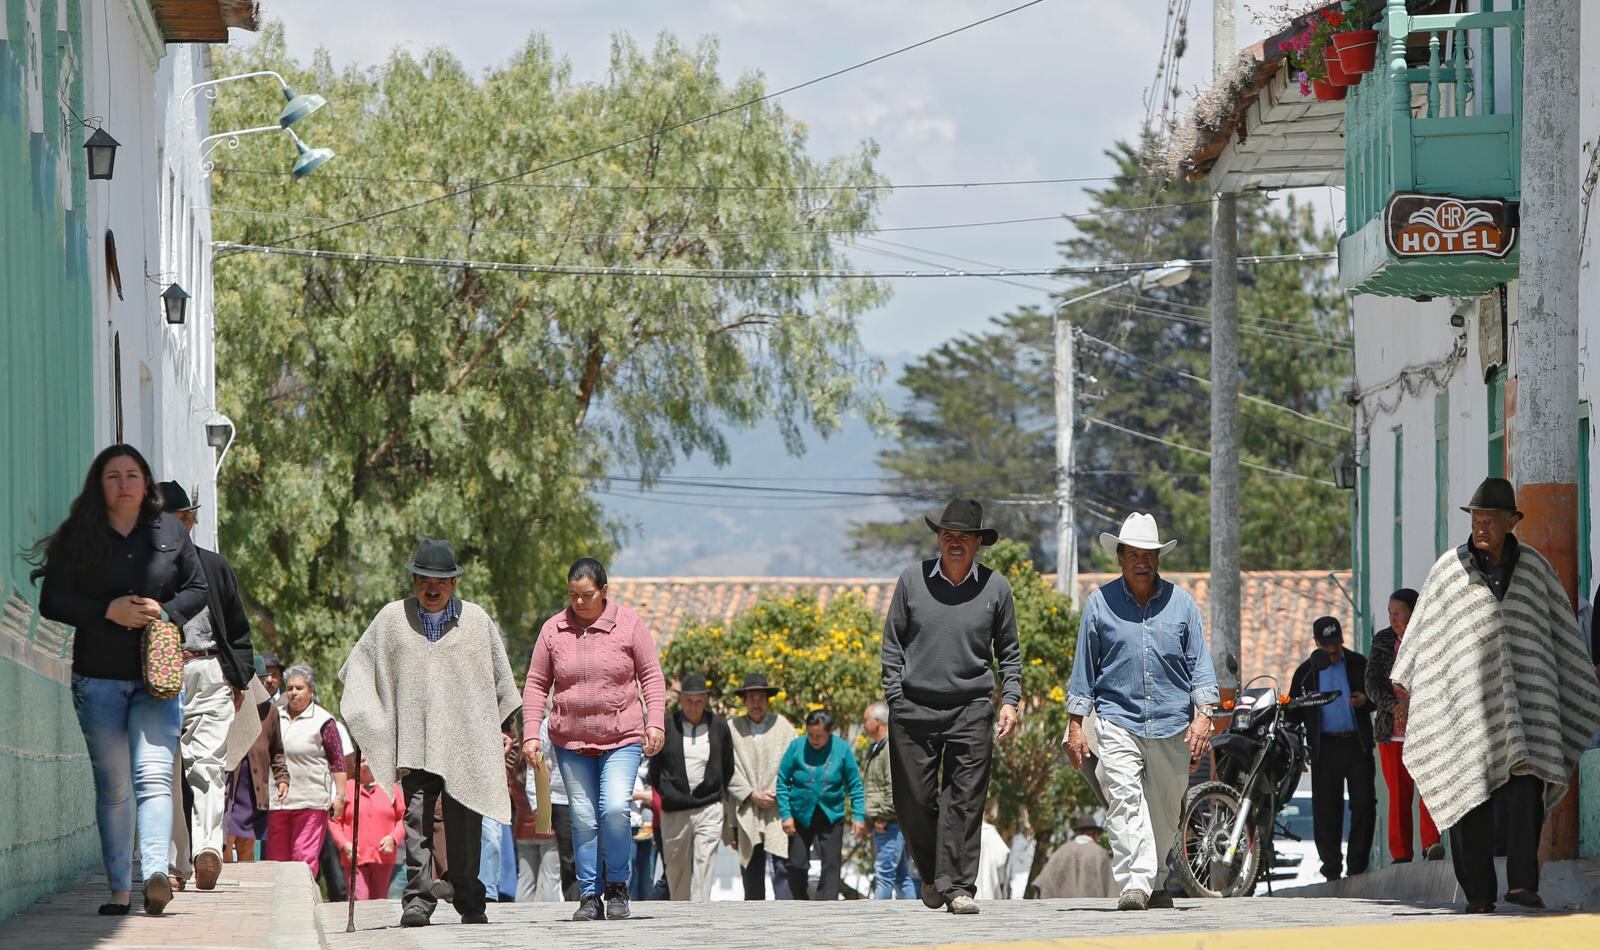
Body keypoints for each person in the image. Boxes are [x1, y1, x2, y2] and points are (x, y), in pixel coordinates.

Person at [1392, 478, 1600, 913]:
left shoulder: (1536, 570)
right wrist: (1410, 688)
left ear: (1512, 522)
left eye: (1491, 519)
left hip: (1527, 706)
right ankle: (1479, 894)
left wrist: (1575, 685)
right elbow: (1424, 634)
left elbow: (1559, 633)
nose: (1482, 526)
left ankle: (1523, 883)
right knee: (1467, 797)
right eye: (1477, 518)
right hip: (1464, 710)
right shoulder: (1449, 571)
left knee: (1526, 792)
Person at [32, 445, 209, 916]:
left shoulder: (170, 531)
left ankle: (154, 875)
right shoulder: (80, 535)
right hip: (98, 678)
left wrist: (165, 612)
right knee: (113, 787)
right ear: (100, 484)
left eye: (132, 475)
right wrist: (105, 611)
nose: (124, 484)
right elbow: (52, 600)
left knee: (153, 776)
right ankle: (119, 891)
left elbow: (198, 587)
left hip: (156, 679)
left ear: (146, 483)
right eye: (113, 476)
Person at [339, 538, 522, 927]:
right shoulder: (392, 619)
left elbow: (500, 681)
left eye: (440, 581)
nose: (431, 588)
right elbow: (360, 666)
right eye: (423, 580)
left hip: (464, 743)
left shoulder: (476, 622)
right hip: (415, 741)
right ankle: (418, 901)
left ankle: (469, 899)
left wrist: (506, 728)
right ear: (413, 581)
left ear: (454, 583)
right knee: (417, 819)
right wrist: (362, 714)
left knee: (465, 824)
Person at [1065, 512, 1217, 912]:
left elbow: (1200, 665)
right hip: (1117, 719)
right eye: (1133, 554)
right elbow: (1083, 669)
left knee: (1165, 813)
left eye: (1148, 554)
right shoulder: (1099, 604)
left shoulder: (1182, 604)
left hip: (1172, 722)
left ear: (1158, 558)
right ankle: (1134, 883)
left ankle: (1157, 880)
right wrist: (1076, 725)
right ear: (1120, 558)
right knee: (1124, 800)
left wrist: (1204, 714)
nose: (1141, 561)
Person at [881, 499, 1023, 915]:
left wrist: (1010, 699)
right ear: (939, 539)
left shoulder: (996, 588)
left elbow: (1009, 651)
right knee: (914, 802)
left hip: (972, 708)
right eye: (947, 535)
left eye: (963, 536)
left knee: (964, 802)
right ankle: (932, 874)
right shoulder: (912, 580)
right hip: (913, 707)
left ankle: (958, 887)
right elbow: (892, 643)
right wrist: (895, 697)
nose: (954, 542)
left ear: (978, 543)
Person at [523, 557, 667, 922]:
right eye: (572, 595)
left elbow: (651, 675)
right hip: (570, 741)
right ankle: (589, 894)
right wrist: (530, 734)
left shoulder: (629, 624)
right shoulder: (553, 630)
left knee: (614, 809)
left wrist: (656, 722)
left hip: (622, 737)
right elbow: (536, 684)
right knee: (583, 816)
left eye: (586, 595)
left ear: (603, 591)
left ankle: (617, 886)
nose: (579, 602)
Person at [156, 481, 255, 892]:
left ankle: (208, 850)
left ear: (188, 521)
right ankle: (175, 864)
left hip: (210, 670)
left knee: (207, 764)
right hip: (160, 676)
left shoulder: (214, 567)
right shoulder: (142, 572)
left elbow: (237, 627)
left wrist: (238, 677)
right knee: (166, 767)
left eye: (176, 520)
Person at [1288, 616, 1377, 882]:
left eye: (1336, 643)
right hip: (1324, 748)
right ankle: (1331, 869)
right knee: (1326, 810)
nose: (1333, 649)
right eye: (1327, 645)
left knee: (1364, 804)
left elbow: (1377, 697)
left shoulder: (1358, 663)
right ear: (1316, 642)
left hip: (1356, 745)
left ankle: (1357, 866)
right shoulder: (1306, 673)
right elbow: (1293, 713)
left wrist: (1365, 701)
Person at [1364, 588, 1442, 864]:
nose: (1394, 619)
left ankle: (1431, 843)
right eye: (1390, 613)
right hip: (1392, 731)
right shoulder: (1383, 641)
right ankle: (1401, 853)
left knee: (1429, 788)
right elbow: (1372, 683)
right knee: (1398, 794)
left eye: (1398, 612)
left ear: (1414, 611)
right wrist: (1394, 705)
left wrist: (1414, 704)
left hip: (1426, 728)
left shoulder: (1432, 637)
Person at [651, 673, 734, 902]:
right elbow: (655, 769)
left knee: (704, 862)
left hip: (709, 806)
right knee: (676, 871)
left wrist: (716, 791)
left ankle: (701, 911)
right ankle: (681, 914)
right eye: (689, 700)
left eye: (699, 701)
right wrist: (668, 792)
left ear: (706, 700)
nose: (694, 706)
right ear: (681, 700)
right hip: (674, 809)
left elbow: (728, 765)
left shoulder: (719, 726)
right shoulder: (667, 725)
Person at [266, 666, 348, 878]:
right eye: (290, 688)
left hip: (311, 801)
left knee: (303, 859)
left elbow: (338, 761)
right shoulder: (275, 715)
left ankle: (301, 899)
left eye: (299, 688)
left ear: (311, 690)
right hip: (277, 800)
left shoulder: (323, 721)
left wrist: (340, 796)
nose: (294, 692)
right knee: (276, 860)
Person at [776, 710, 866, 901]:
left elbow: (855, 785)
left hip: (831, 814)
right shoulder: (796, 747)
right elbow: (782, 781)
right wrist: (786, 815)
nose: (815, 739)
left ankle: (827, 905)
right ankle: (801, 902)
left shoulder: (842, 749)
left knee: (831, 864)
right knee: (796, 865)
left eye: (820, 736)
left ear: (829, 733)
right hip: (800, 815)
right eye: (811, 735)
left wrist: (858, 816)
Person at [726, 672, 797, 900]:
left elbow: (793, 760)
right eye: (752, 698)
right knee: (751, 869)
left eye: (761, 698)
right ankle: (753, 918)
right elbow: (726, 767)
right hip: (746, 807)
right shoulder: (731, 728)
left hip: (777, 807)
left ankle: (787, 916)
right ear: (744, 701)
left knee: (781, 867)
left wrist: (775, 791)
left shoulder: (783, 726)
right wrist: (751, 794)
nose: (756, 703)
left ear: (768, 700)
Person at [225, 655, 288, 864]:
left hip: (254, 789)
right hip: (229, 786)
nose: (260, 685)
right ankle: (222, 879)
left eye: (261, 680)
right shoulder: (228, 704)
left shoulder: (270, 711)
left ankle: (244, 881)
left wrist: (282, 778)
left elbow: (277, 750)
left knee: (247, 844)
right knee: (225, 840)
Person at [330, 751, 406, 900]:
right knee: (359, 899)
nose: (367, 764)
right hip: (354, 857)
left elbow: (404, 818)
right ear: (355, 764)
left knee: (380, 901)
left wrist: (393, 838)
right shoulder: (347, 788)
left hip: (383, 856)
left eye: (371, 760)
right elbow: (333, 820)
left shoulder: (390, 789)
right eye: (362, 760)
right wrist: (343, 844)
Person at [861, 701, 917, 900]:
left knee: (884, 875)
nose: (864, 725)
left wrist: (882, 816)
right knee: (902, 876)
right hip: (888, 822)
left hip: (888, 823)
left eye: (866, 720)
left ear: (877, 722)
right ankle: (913, 913)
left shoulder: (889, 749)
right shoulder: (880, 747)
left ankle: (877, 915)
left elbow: (894, 788)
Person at [510, 719, 563, 902]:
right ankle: (551, 914)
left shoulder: (513, 762)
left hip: (522, 828)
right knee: (551, 879)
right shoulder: (540, 760)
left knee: (525, 881)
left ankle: (519, 915)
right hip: (546, 825)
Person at [1032, 814, 1117, 899]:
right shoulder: (1100, 853)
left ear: (1078, 832)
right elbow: (1111, 889)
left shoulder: (1061, 851)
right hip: (1093, 906)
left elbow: (1043, 884)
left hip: (1062, 906)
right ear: (1094, 834)